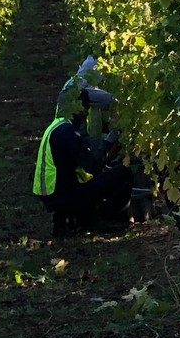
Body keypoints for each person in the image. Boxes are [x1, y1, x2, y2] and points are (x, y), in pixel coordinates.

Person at [32, 59, 136, 234]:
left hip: (52, 194)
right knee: (123, 173)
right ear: (78, 108)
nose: (87, 113)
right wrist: (109, 142)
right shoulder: (68, 133)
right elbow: (93, 166)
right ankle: (104, 218)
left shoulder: (58, 126)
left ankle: (82, 216)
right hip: (64, 195)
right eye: (86, 109)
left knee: (100, 177)